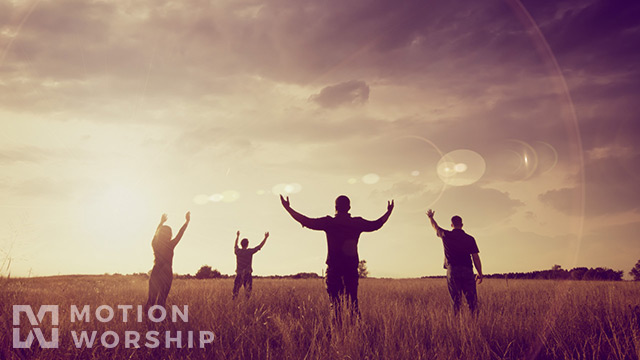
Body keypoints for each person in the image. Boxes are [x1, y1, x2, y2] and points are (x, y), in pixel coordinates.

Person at [280, 195, 394, 318]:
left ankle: (337, 333)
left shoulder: (329, 222)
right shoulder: (356, 223)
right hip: (350, 270)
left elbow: (306, 221)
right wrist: (389, 212)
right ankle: (355, 333)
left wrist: (288, 208)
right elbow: (376, 224)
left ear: (335, 207)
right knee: (353, 305)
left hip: (334, 270)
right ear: (349, 208)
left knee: (335, 307)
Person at [426, 209, 482, 315]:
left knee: (455, 301)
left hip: (453, 270)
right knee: (472, 301)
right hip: (467, 270)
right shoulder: (470, 239)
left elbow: (435, 227)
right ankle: (475, 324)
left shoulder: (446, 235)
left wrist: (431, 217)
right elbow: (476, 257)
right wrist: (480, 273)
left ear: (451, 225)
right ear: (462, 224)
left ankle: (456, 325)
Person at [145, 211, 190, 312]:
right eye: (168, 233)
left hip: (158, 273)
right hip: (165, 274)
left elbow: (156, 235)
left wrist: (160, 223)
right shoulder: (169, 245)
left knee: (153, 300)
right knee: (159, 301)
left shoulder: (155, 244)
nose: (169, 234)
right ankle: (155, 322)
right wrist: (186, 222)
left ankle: (151, 322)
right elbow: (180, 233)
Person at [233, 230, 269, 299]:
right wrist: (265, 238)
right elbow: (259, 246)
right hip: (247, 275)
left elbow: (235, 245)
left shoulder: (238, 251)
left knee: (235, 293)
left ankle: (234, 305)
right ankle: (247, 306)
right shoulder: (249, 252)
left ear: (241, 244)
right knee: (248, 294)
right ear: (247, 244)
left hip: (239, 274)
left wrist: (237, 236)